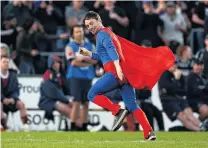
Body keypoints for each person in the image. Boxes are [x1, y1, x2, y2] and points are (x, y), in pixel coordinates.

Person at [80, 11, 175, 140]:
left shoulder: (102, 34)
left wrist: (118, 68)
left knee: (91, 94)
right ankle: (149, 132)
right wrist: (89, 54)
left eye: (91, 23)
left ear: (99, 20)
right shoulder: (108, 33)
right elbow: (103, 56)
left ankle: (117, 111)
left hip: (114, 73)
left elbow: (112, 52)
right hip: (124, 75)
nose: (90, 27)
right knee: (132, 106)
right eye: (87, 26)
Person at [65, 24, 96, 131]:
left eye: (81, 31)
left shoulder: (89, 45)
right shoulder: (70, 46)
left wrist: (82, 58)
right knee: (76, 102)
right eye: (77, 32)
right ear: (73, 34)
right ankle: (73, 126)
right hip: (75, 77)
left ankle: (84, 126)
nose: (79, 33)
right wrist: (87, 61)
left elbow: (95, 60)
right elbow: (73, 62)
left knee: (86, 102)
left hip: (88, 77)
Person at [159, 62, 206, 131]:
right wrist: (176, 79)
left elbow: (183, 90)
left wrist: (178, 80)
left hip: (180, 99)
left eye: (175, 64)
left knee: (189, 114)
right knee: (182, 117)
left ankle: (202, 127)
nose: (174, 66)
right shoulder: (163, 75)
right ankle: (199, 130)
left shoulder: (179, 75)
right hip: (168, 101)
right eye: (172, 64)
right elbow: (167, 88)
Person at [38, 55, 72, 122]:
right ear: (51, 65)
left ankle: (77, 126)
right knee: (69, 111)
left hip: (60, 99)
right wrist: (67, 101)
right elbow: (54, 93)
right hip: (48, 100)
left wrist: (72, 99)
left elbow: (67, 90)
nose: (57, 65)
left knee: (76, 108)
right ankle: (76, 125)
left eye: (58, 62)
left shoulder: (61, 75)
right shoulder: (47, 75)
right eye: (54, 63)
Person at [1, 56, 28, 131]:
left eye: (7, 62)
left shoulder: (13, 75)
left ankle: (26, 127)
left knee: (21, 104)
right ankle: (4, 127)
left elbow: (16, 89)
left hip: (11, 100)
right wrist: (3, 99)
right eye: (4, 62)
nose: (6, 64)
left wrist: (12, 98)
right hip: (1, 100)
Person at [187, 59, 208, 128]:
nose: (199, 67)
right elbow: (196, 91)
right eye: (197, 65)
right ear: (193, 66)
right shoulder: (190, 77)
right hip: (194, 101)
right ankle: (198, 125)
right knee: (206, 110)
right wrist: (204, 89)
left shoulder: (204, 77)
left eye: (201, 65)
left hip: (204, 100)